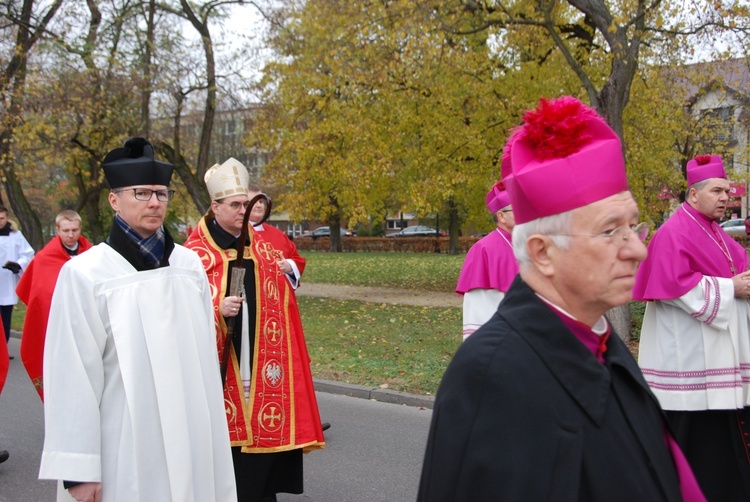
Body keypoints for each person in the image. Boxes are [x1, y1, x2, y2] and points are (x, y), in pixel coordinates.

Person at [418, 96, 705, 501]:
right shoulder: (490, 377)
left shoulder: (607, 348)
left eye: (633, 227)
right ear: (542, 253)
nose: (638, 251)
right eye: (610, 231)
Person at [38, 138, 236, 502]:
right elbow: (72, 374)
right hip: (124, 441)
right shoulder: (86, 274)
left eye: (161, 193)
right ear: (114, 200)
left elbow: (203, 362)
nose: (154, 203)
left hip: (191, 437)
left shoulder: (188, 266)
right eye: (141, 193)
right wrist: (78, 469)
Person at [185, 159, 325, 502]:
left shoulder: (262, 248)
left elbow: (284, 303)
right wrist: (216, 308)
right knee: (226, 467)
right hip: (221, 373)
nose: (243, 211)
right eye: (235, 205)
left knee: (260, 477)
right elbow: (181, 313)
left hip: (261, 370)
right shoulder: (192, 255)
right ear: (215, 207)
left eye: (246, 204)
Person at [633, 154, 750, 500]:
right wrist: (733, 288)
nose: (725, 198)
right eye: (717, 191)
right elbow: (678, 288)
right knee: (697, 446)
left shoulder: (722, 237)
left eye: (727, 192)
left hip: (717, 358)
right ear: (693, 194)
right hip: (688, 361)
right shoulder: (673, 234)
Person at [16, 210, 92, 400]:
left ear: (80, 228)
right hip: (57, 325)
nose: (70, 234)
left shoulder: (93, 256)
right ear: (57, 229)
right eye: (65, 230)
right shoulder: (44, 258)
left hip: (87, 324)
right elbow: (37, 295)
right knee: (61, 372)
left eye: (74, 230)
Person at [455, 180, 518, 340]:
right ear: (501, 216)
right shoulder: (483, 249)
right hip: (500, 333)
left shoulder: (528, 242)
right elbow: (479, 306)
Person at [0, 205, 34, 352]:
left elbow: (27, 254)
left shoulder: (16, 235)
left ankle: (3, 349)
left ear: (7, 218)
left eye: (1, 218)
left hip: (7, 282)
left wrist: (18, 265)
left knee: (5, 318)